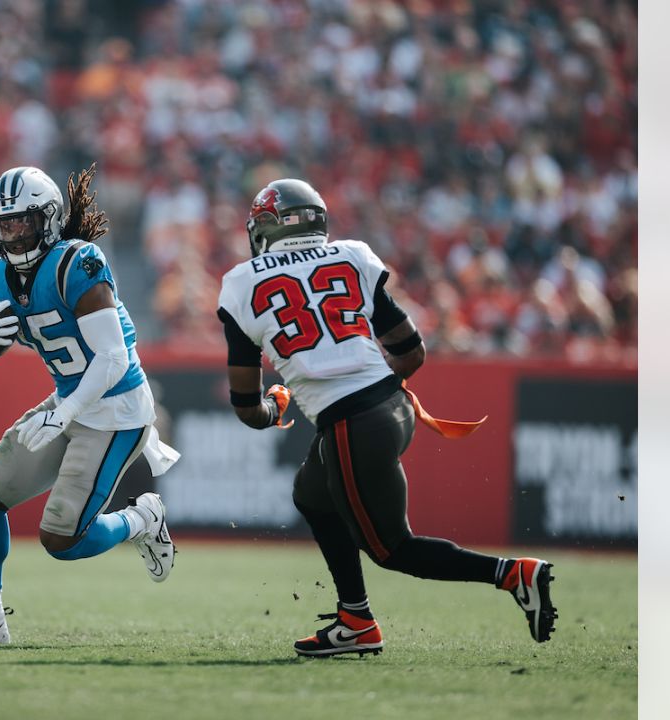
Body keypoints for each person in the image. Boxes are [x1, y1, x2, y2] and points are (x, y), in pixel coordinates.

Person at [216, 179, 558, 657]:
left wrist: (277, 407)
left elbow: (247, 408)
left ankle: (511, 574)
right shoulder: (350, 256)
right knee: (312, 495)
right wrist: (377, 393)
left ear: (269, 228)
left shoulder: (240, 283)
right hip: (389, 409)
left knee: (392, 549)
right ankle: (354, 618)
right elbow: (411, 351)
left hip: (353, 424)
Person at [0, 165, 180, 645]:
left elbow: (112, 357)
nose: (15, 234)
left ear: (49, 219)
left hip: (116, 409)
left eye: (24, 221)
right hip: (69, 402)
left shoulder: (76, 263)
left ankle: (142, 518)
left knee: (62, 540)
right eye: (5, 225)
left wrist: (65, 411)